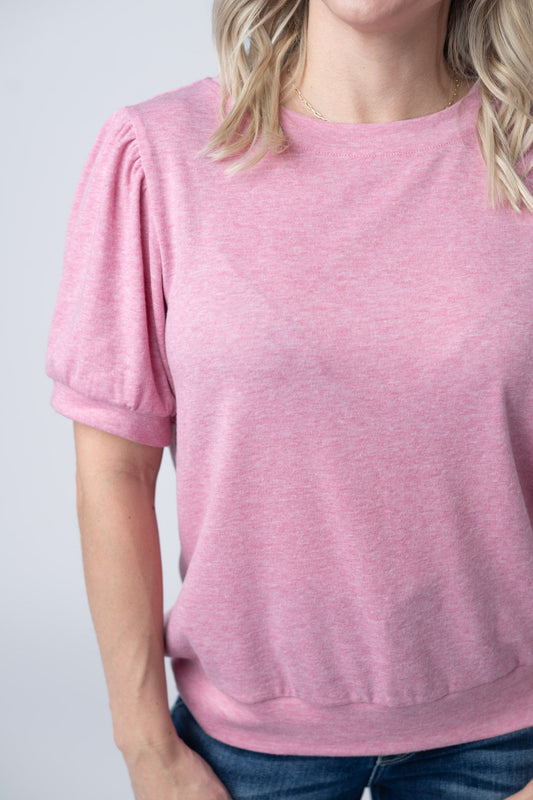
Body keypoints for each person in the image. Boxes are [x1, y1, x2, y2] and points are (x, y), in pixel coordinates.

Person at [44, 0, 533, 798]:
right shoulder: (158, 153)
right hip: (243, 752)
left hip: (510, 745)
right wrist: (144, 746)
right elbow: (114, 468)